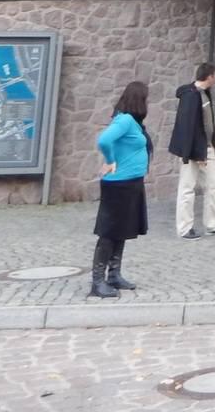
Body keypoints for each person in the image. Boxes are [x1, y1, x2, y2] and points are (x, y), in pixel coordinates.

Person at [90, 80, 152, 298]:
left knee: (121, 230)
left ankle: (114, 274)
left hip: (131, 183)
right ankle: (97, 282)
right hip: (119, 184)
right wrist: (110, 160)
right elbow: (104, 140)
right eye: (145, 98)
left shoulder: (132, 122)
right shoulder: (124, 120)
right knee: (109, 232)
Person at [168, 62, 215, 239]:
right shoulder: (190, 96)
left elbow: (205, 123)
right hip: (194, 150)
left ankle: (212, 224)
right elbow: (189, 127)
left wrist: (209, 145)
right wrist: (195, 153)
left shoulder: (203, 93)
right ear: (209, 76)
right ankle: (184, 228)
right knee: (187, 188)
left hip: (206, 147)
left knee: (212, 186)